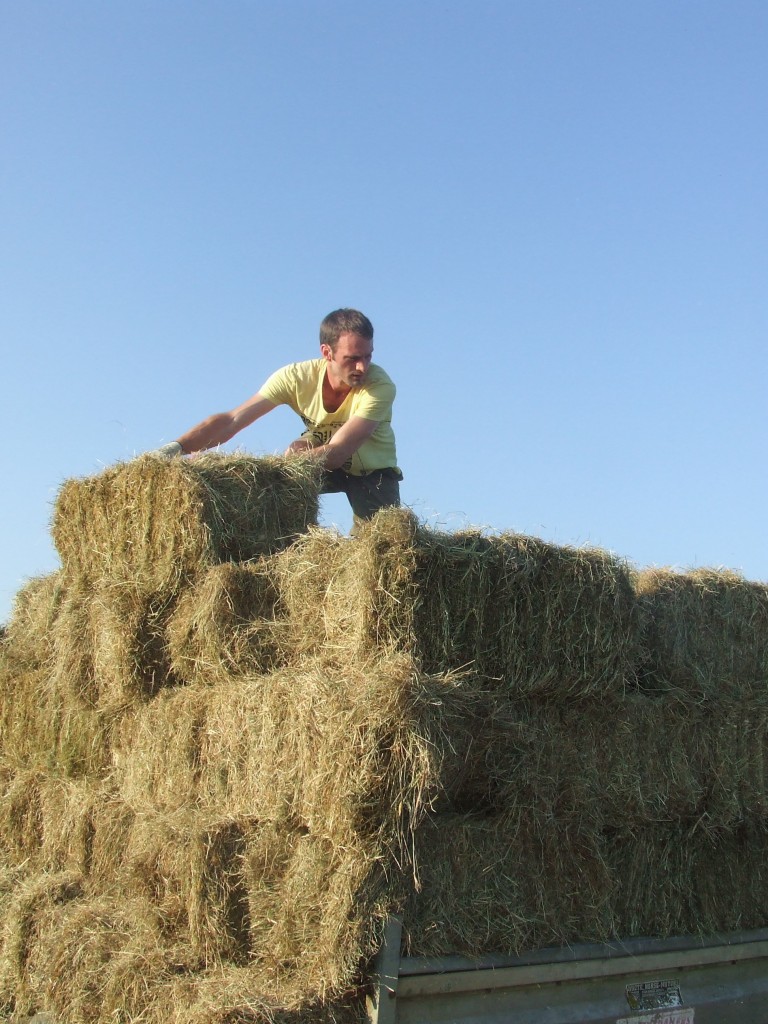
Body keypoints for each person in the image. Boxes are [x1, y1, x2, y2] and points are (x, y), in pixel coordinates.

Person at [154, 308, 402, 523]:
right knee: (278, 481)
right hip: (320, 451)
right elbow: (232, 420)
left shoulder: (379, 387)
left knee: (380, 546)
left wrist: (274, 468)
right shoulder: (295, 378)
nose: (362, 367)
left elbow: (338, 452)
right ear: (327, 352)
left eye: (368, 356)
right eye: (353, 358)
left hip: (372, 471)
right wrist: (175, 448)